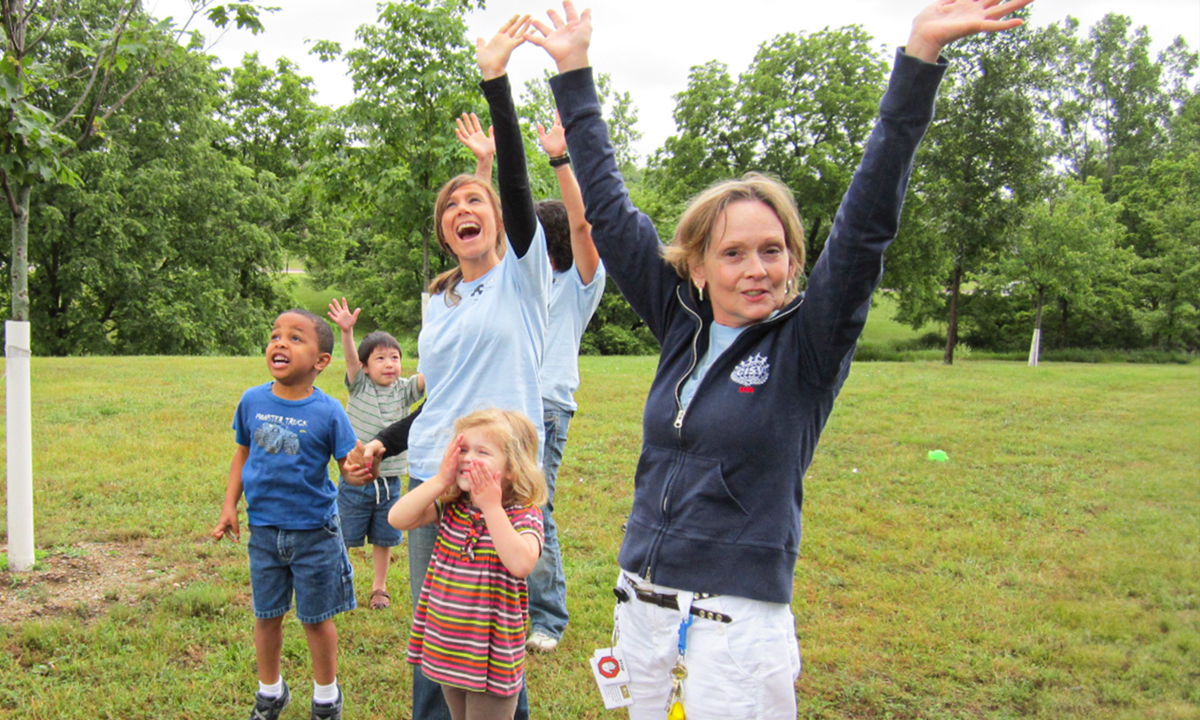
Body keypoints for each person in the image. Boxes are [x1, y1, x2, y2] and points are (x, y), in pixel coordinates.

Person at [526, 0, 1035, 717]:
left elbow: (865, 228)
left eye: (774, 250)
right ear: (698, 267)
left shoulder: (808, 346)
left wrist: (918, 58)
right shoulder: (682, 322)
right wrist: (574, 74)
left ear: (795, 262)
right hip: (642, 604)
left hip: (735, 627)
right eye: (733, 253)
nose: (756, 268)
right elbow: (608, 209)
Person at [358, 15, 551, 720]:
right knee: (439, 618)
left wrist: (496, 82)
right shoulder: (438, 300)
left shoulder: (524, 279)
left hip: (501, 470)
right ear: (441, 229)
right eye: (450, 207)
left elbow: (521, 198)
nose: (461, 209)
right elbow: (440, 395)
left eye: (474, 200)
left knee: (496, 624)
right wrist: (386, 442)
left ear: (498, 220)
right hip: (436, 468)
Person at [457, 109, 606, 653]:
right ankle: (497, 600)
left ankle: (546, 616)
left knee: (533, 507)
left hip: (545, 405)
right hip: (502, 404)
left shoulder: (581, 281)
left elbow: (584, 224)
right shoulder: (516, 280)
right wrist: (484, 163)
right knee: (488, 501)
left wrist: (560, 159)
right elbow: (490, 224)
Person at [212, 308, 372, 720]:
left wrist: (355, 473)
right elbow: (242, 454)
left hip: (314, 533)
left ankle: (325, 697)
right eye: (275, 336)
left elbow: (347, 467)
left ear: (321, 361)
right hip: (263, 532)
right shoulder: (252, 400)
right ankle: (270, 692)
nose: (280, 343)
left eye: (295, 338)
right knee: (266, 616)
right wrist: (230, 505)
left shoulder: (330, 411)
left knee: (316, 619)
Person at [388, 408, 548, 720]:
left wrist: (490, 506)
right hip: (449, 643)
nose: (467, 458)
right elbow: (398, 518)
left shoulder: (523, 515)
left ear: (512, 469)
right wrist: (439, 480)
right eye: (463, 449)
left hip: (491, 653)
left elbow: (521, 563)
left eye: (482, 451)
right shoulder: (453, 508)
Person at [326, 297, 425, 611]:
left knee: (385, 538)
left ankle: (379, 588)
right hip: (356, 480)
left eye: (394, 357)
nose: (389, 364)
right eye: (380, 359)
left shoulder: (405, 389)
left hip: (391, 482)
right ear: (366, 368)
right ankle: (336, 581)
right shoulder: (360, 386)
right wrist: (346, 333)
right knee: (344, 535)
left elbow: (428, 376)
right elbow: (351, 359)